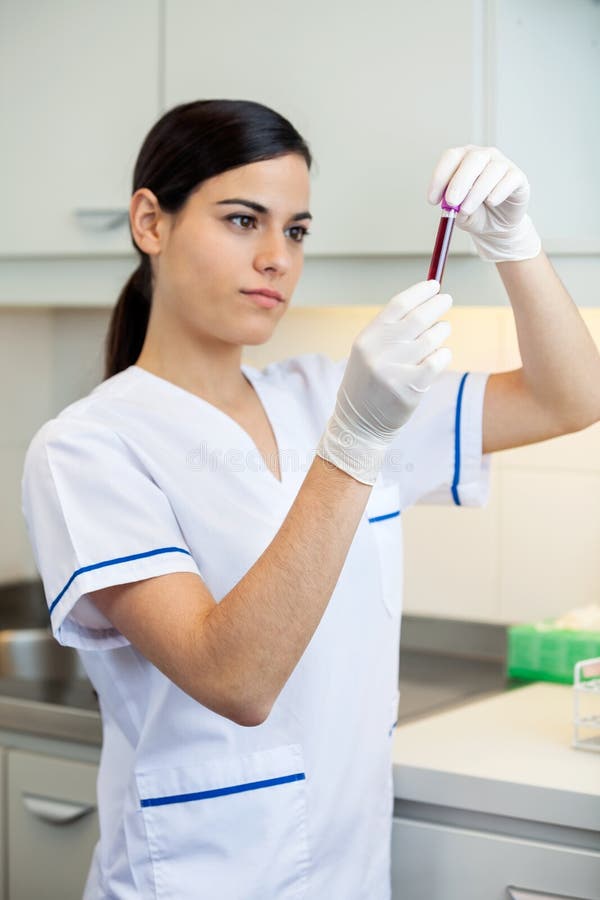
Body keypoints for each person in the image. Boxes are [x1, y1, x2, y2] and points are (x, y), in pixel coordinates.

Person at [21, 99, 600, 899]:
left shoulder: (324, 393)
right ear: (150, 223)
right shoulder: (88, 448)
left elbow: (568, 397)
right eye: (241, 220)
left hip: (349, 870)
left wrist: (515, 244)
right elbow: (237, 678)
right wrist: (356, 441)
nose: (277, 258)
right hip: (195, 879)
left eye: (295, 230)